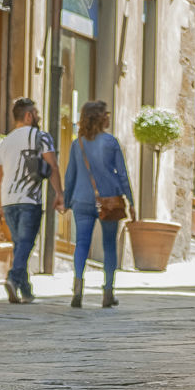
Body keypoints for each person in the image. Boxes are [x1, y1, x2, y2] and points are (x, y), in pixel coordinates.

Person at [0, 97, 65, 304]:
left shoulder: (3, 142)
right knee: (25, 243)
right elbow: (53, 167)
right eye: (36, 113)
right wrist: (59, 193)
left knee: (19, 244)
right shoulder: (41, 137)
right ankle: (13, 279)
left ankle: (27, 290)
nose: (38, 117)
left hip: (8, 201)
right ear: (28, 115)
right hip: (29, 200)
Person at [63, 101, 135, 309]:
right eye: (106, 113)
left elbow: (70, 175)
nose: (109, 116)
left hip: (82, 199)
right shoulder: (111, 142)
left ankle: (78, 288)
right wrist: (130, 201)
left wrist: (67, 201)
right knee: (109, 246)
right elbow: (122, 175)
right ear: (100, 117)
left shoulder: (78, 144)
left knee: (82, 244)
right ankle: (108, 291)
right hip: (109, 200)